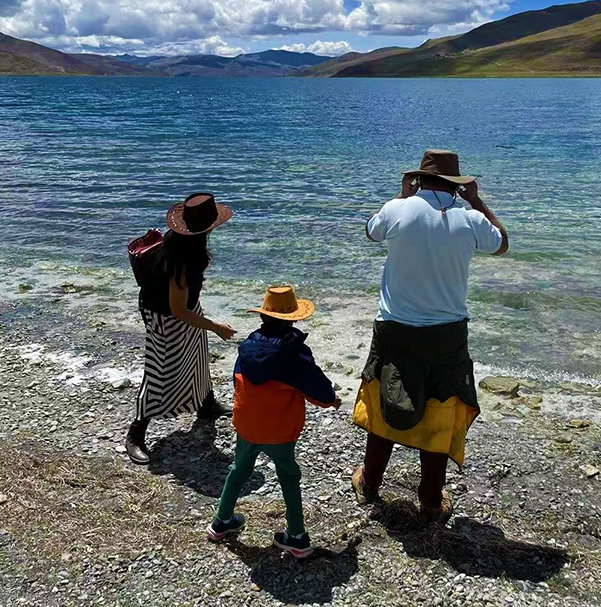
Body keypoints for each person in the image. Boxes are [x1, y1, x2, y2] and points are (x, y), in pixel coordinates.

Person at [352, 149, 508, 520]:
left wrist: (401, 197)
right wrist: (478, 201)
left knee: (387, 400)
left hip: (394, 329)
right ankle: (430, 499)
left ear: (417, 179)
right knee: (440, 412)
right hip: (446, 334)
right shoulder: (469, 217)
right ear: (457, 185)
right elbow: (502, 242)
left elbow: (370, 231)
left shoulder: (397, 210)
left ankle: (370, 481)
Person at [206, 284, 340, 557]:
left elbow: (238, 382)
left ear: (262, 316)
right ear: (294, 318)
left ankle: (221, 522)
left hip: (248, 424)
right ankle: (296, 536)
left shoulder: (248, 346)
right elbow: (318, 390)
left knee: (238, 471)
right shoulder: (295, 354)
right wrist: (333, 401)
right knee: (289, 475)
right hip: (280, 429)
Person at [125, 193, 237, 465]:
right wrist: (216, 327)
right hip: (164, 316)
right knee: (161, 370)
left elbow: (184, 305)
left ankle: (206, 404)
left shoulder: (182, 243)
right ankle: (136, 432)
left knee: (197, 355)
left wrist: (204, 324)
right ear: (207, 228)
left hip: (183, 308)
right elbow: (178, 311)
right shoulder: (182, 260)